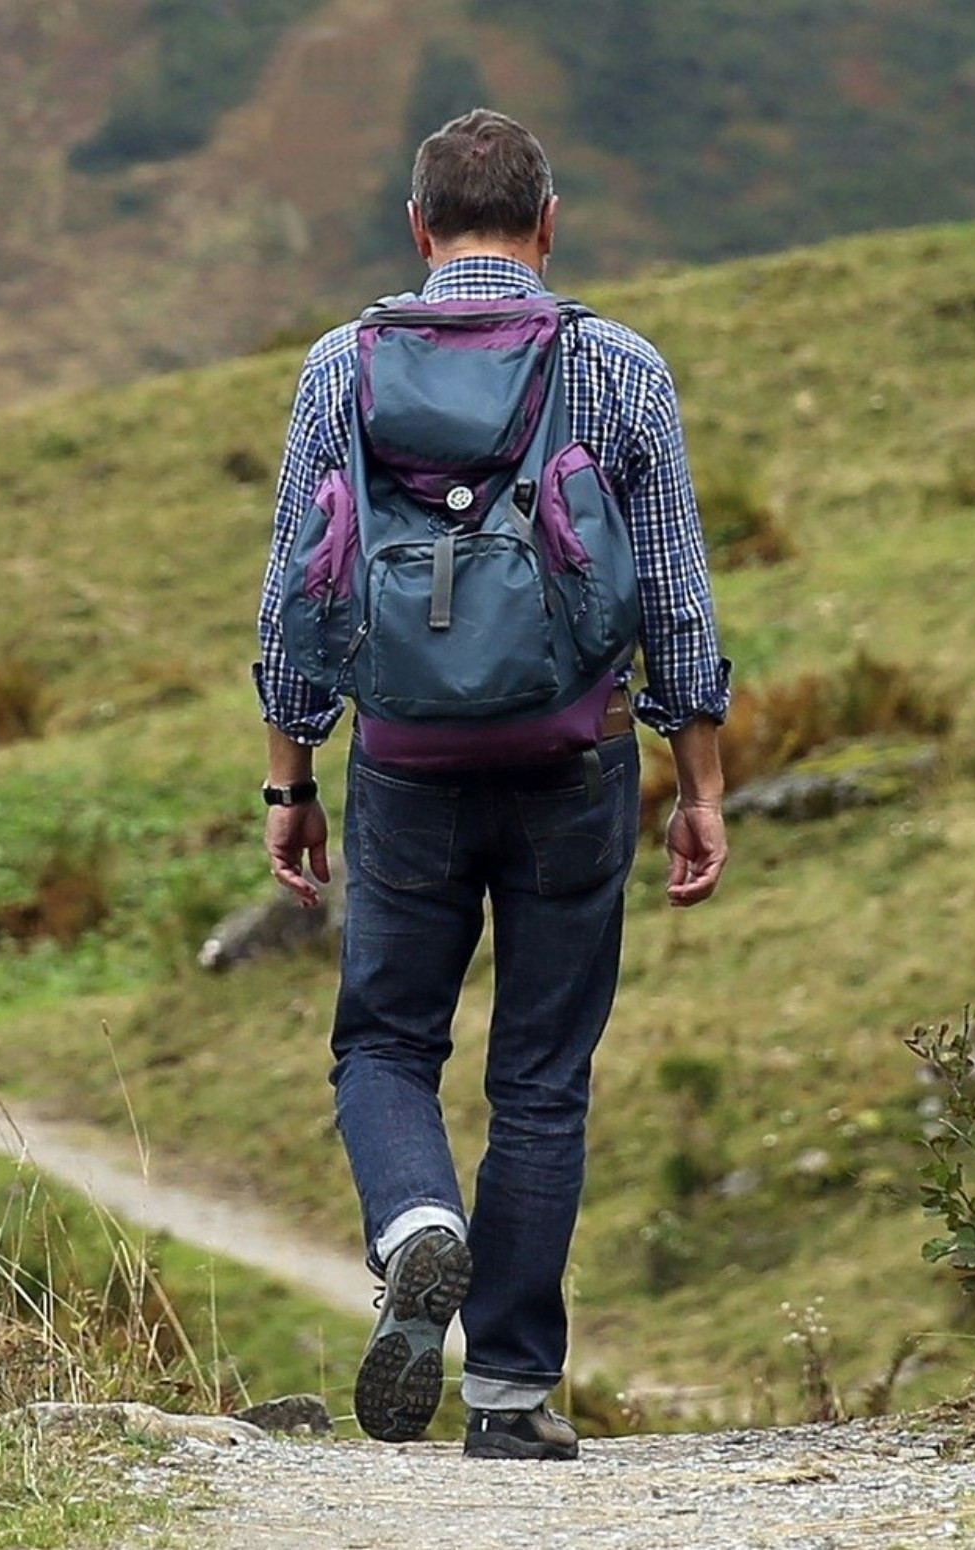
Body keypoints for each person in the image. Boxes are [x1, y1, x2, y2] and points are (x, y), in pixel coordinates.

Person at [251, 108, 733, 1461]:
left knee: (386, 1040)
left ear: (418, 228)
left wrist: (290, 778)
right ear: (548, 221)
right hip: (575, 760)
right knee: (541, 1075)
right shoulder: (618, 366)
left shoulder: (341, 366)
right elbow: (679, 600)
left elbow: (298, 583)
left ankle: (418, 1224)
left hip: (402, 763)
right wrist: (699, 779)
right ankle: (511, 1391)